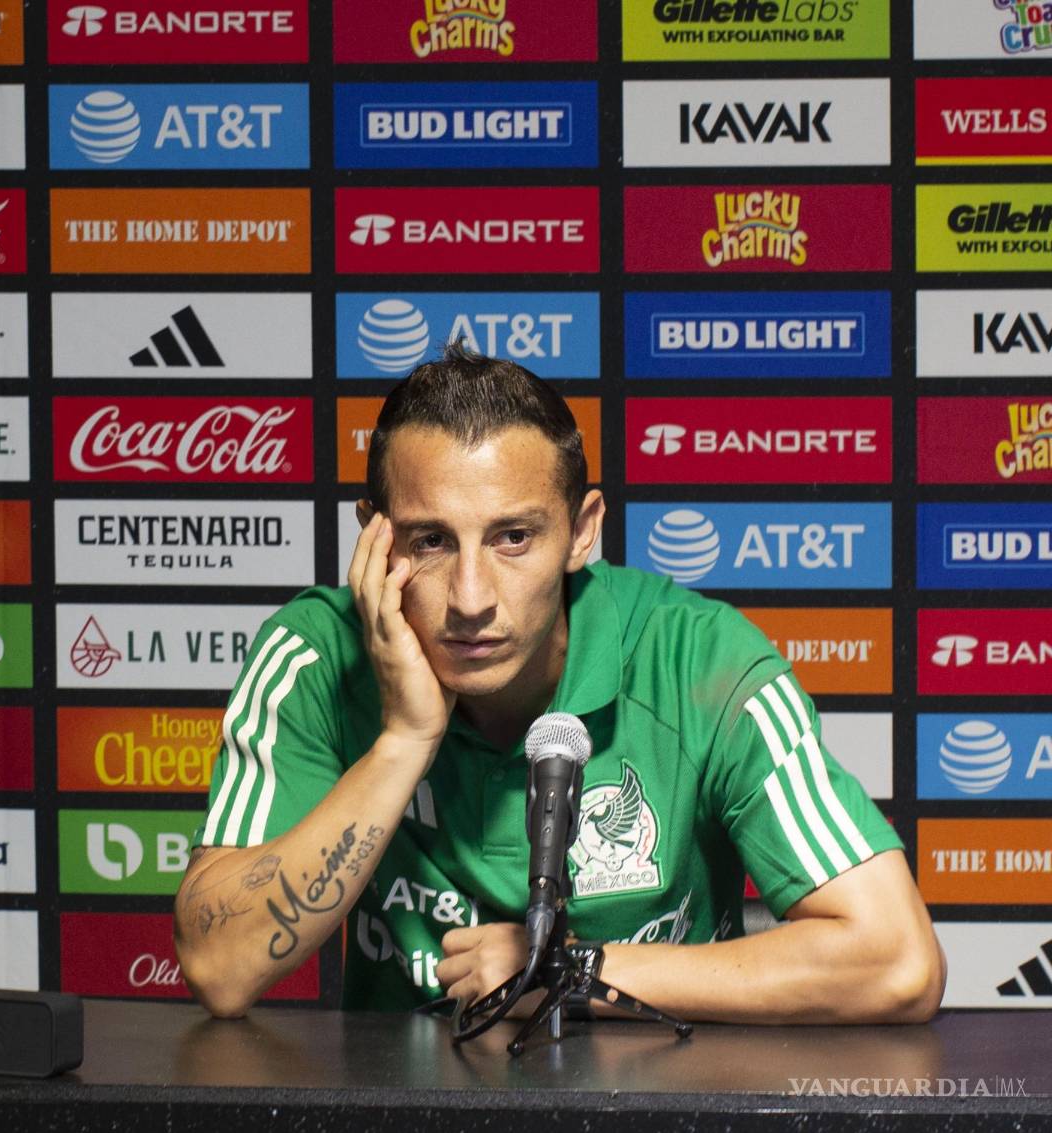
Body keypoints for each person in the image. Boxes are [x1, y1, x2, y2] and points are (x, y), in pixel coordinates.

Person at [174, 343, 946, 1023]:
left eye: (513, 537)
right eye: (431, 540)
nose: (471, 597)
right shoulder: (313, 658)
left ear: (581, 531)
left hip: (652, 1106)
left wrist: (570, 972)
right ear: (375, 540)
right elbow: (218, 966)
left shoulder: (699, 662)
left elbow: (897, 960)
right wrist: (404, 738)